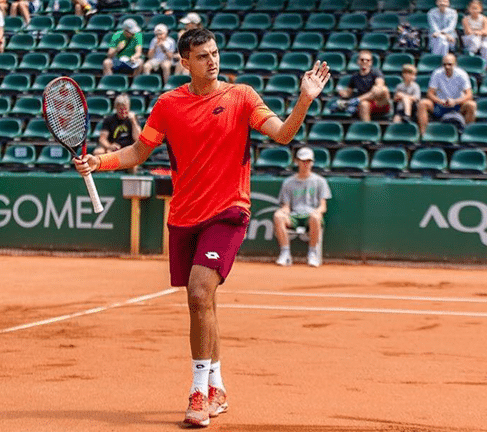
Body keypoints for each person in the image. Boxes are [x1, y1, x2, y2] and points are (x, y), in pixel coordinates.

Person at [73, 28, 329, 428]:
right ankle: (217, 383)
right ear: (184, 62)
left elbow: (282, 135)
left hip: (229, 211)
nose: (212, 60)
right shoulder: (168, 104)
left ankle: (198, 391)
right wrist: (99, 162)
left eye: (215, 53)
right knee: (204, 303)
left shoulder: (242, 97)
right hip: (185, 215)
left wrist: (304, 100)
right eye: (203, 55)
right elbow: (140, 151)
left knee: (198, 290)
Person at [273, 147, 331, 268]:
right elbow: (286, 207)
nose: (306, 164)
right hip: (293, 216)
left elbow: (323, 206)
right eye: (303, 161)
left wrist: (316, 212)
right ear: (297, 161)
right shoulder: (288, 182)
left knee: (315, 217)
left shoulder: (320, 181)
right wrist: (282, 211)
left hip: (311, 217)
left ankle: (312, 254)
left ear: (312, 163)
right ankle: (285, 253)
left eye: (308, 161)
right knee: (278, 216)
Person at [417, 53, 476, 134]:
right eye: (444, 64)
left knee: (472, 105)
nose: (447, 67)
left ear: (455, 64)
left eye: (449, 64)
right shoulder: (437, 73)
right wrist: (440, 101)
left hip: (457, 105)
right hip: (440, 105)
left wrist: (455, 101)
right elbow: (430, 93)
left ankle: (467, 134)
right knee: (422, 103)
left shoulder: (462, 74)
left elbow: (469, 95)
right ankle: (423, 134)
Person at [331, 50, 391, 122]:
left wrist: (358, 99)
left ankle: (356, 101)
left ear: (371, 62)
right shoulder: (355, 77)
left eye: (367, 60)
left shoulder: (376, 72)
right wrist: (342, 92)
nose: (365, 62)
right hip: (365, 103)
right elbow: (348, 93)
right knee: (363, 104)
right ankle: (367, 129)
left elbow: (379, 85)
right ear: (358, 61)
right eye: (362, 60)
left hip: (380, 102)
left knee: (381, 89)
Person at [94, 95, 142, 173]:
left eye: (125, 109)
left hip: (128, 149)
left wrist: (133, 121)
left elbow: (137, 138)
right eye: (120, 109)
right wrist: (110, 146)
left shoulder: (134, 120)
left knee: (134, 161)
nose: (123, 112)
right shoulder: (109, 120)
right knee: (98, 153)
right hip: (113, 148)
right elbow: (102, 139)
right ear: (116, 108)